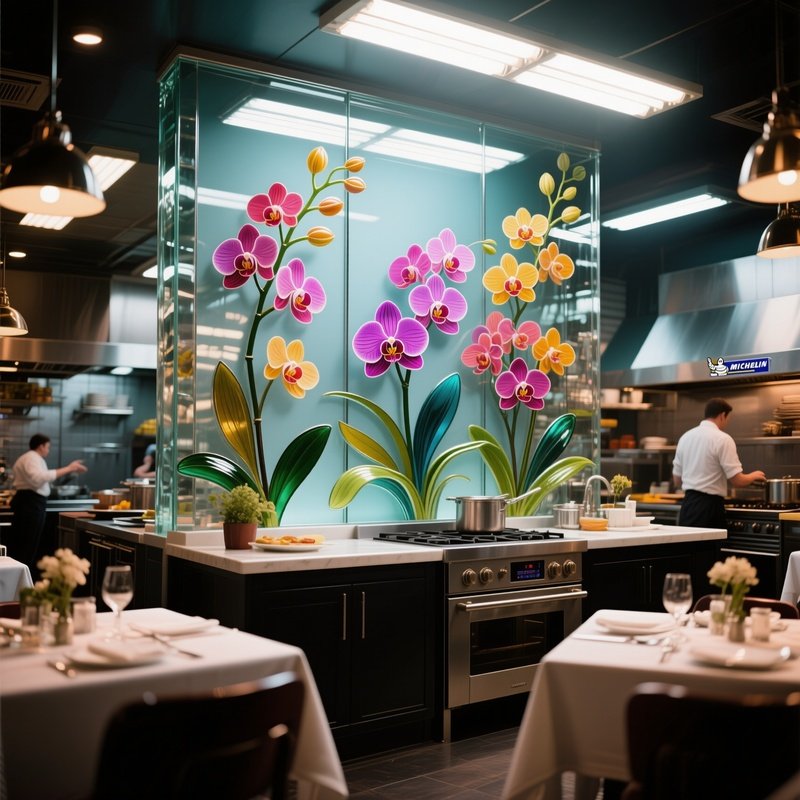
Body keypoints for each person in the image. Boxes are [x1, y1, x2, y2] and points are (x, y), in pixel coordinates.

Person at [672, 398, 766, 530]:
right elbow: (737, 481)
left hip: (688, 505)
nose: (726, 423)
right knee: (709, 550)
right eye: (728, 419)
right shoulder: (723, 439)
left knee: (689, 549)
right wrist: (753, 476)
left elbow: (676, 480)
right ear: (722, 415)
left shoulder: (685, 437)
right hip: (709, 508)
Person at [8, 434, 88, 568]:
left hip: (29, 502)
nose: (48, 450)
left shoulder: (29, 458)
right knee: (26, 545)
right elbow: (38, 478)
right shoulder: (32, 458)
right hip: (30, 503)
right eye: (48, 447)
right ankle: (21, 583)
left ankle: (21, 580)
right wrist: (69, 468)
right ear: (41, 446)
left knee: (24, 545)